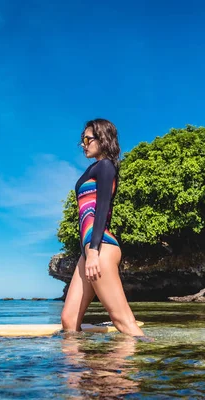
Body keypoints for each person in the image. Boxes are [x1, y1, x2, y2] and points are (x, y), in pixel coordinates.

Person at [61, 118, 145, 337]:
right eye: (82, 140)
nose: (83, 144)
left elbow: (102, 209)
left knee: (122, 321)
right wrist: (87, 252)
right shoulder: (95, 167)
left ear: (102, 138)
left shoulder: (106, 166)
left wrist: (94, 251)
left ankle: (149, 363)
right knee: (69, 321)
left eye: (87, 139)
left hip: (101, 247)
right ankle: (77, 371)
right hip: (88, 250)